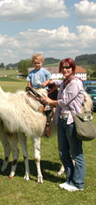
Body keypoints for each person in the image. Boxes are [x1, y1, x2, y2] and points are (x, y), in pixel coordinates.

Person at [42, 58, 85, 192]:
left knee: (76, 154)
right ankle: (69, 179)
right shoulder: (65, 82)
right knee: (63, 152)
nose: (65, 70)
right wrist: (50, 81)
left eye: (68, 67)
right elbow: (59, 82)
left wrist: (49, 101)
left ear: (73, 69)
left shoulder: (75, 83)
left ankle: (78, 184)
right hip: (61, 120)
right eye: (63, 68)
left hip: (71, 121)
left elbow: (63, 101)